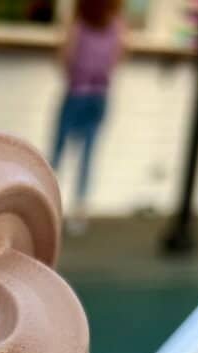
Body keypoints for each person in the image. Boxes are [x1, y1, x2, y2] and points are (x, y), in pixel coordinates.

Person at [51, 0, 124, 234]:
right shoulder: (117, 26)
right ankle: (79, 213)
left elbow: (65, 57)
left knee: (58, 151)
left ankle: (49, 206)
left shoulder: (78, 25)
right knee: (87, 155)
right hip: (99, 97)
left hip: (76, 93)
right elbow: (118, 58)